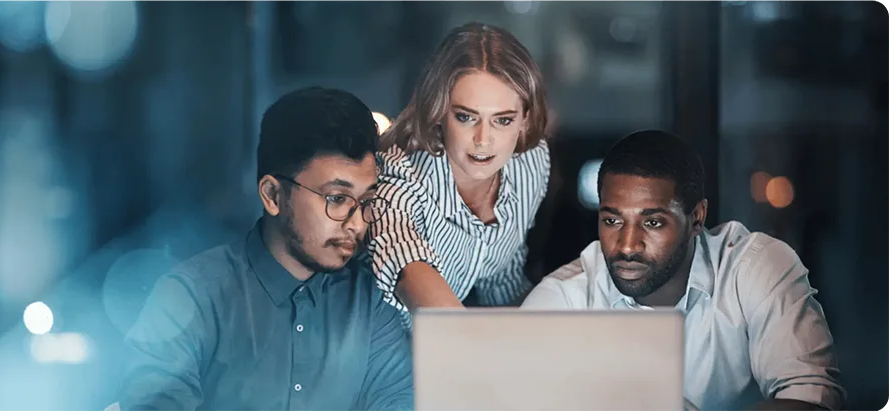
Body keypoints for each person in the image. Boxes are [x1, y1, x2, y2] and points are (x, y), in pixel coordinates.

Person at [117, 87, 413, 411]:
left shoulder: (369, 306)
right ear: (272, 195)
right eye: (337, 199)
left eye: (367, 201)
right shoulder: (192, 298)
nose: (357, 224)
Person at [522, 130, 845, 411]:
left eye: (652, 222)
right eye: (612, 221)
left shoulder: (752, 267)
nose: (628, 245)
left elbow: (812, 398)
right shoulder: (564, 298)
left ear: (696, 218)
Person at [368, 22, 551, 325]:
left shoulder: (530, 163)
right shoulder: (400, 174)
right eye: (466, 117)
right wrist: (469, 347)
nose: (483, 139)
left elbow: (501, 280)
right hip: (381, 355)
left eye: (502, 121)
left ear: (525, 120)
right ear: (439, 112)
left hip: (457, 347)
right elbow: (403, 261)